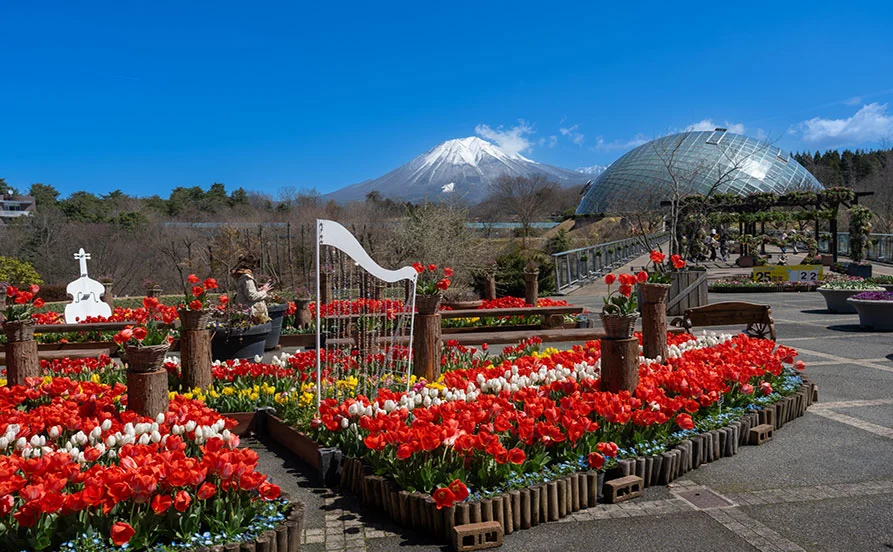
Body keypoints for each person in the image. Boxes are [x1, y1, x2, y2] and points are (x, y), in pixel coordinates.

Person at [231, 253, 272, 320]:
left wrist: (259, 289)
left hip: (247, 310)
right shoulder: (246, 278)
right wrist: (265, 291)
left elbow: (248, 292)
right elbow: (252, 296)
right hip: (251, 313)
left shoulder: (243, 277)